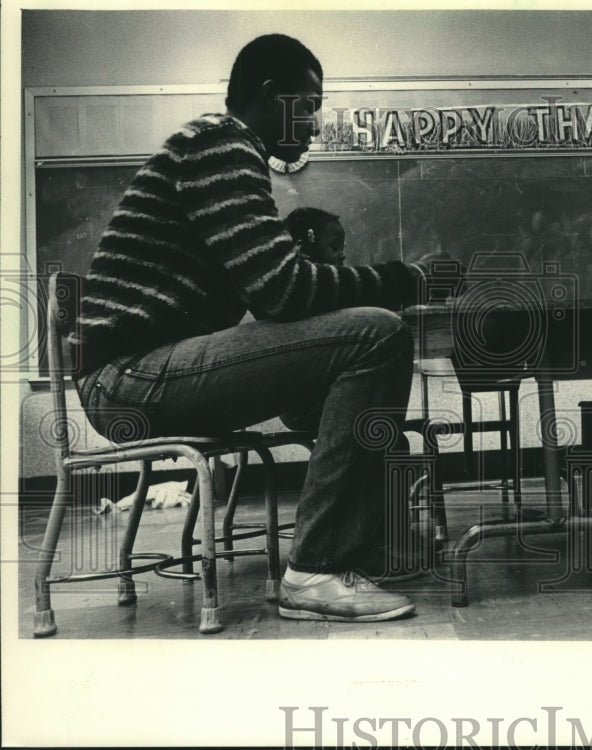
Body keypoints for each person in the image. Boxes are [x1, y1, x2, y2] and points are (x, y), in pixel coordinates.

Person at [72, 34, 439, 623]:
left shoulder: (214, 147)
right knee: (380, 333)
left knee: (349, 366)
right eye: (310, 103)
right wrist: (405, 278)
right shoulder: (223, 144)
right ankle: (317, 569)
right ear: (271, 96)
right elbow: (283, 291)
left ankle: (370, 547)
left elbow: (273, 301)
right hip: (130, 379)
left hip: (138, 372)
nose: (316, 124)